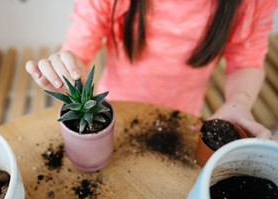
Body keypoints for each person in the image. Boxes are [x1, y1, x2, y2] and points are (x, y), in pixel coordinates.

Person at [26, 0, 277, 139]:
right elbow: (80, 44)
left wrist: (239, 101)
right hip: (112, 111)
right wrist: (66, 69)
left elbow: (246, 60)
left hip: (183, 116)